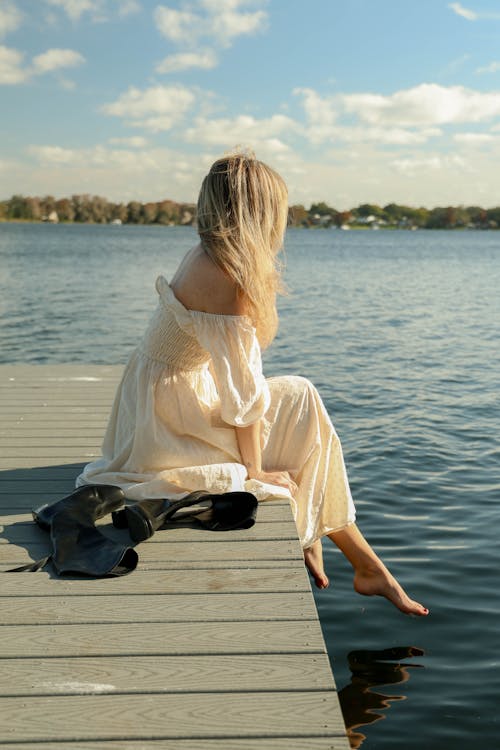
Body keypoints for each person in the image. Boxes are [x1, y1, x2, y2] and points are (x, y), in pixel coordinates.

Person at [77, 152, 428, 616]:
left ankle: (349, 556)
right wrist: (256, 472)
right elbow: (244, 400)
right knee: (293, 416)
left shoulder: (204, 256)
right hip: (166, 427)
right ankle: (353, 558)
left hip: (158, 404)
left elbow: (239, 388)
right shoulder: (227, 277)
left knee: (300, 398)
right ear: (260, 214)